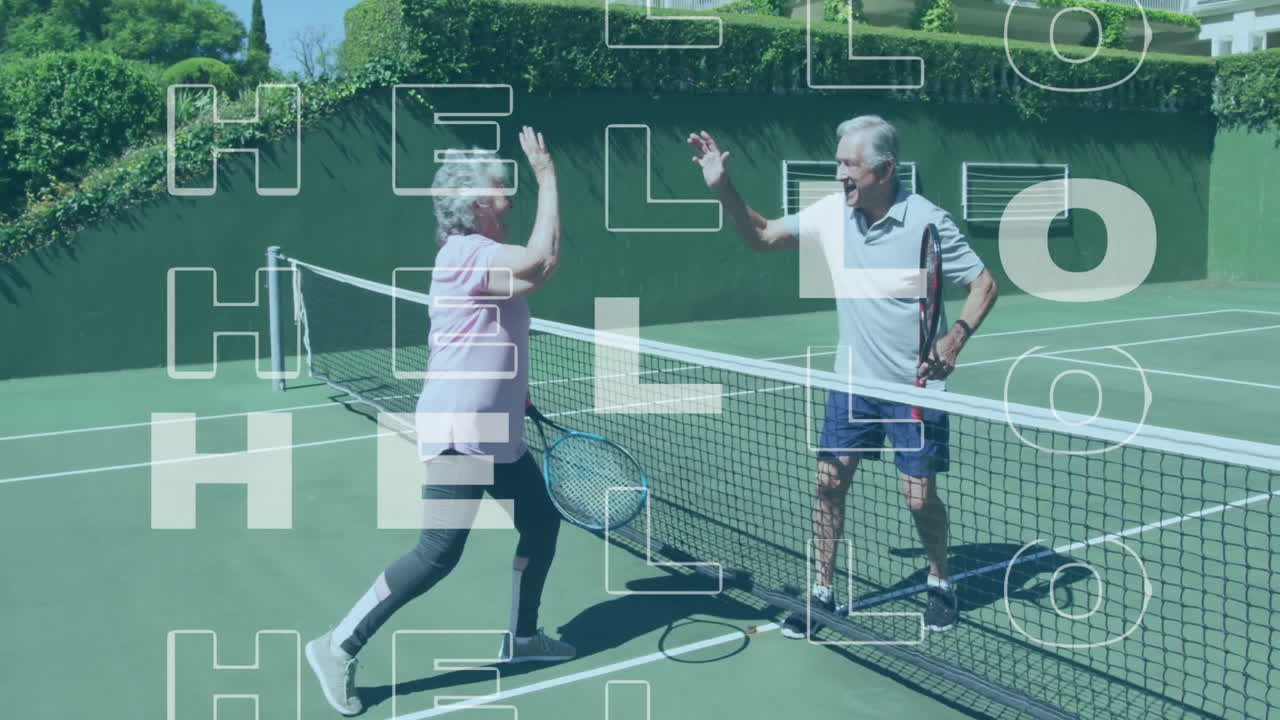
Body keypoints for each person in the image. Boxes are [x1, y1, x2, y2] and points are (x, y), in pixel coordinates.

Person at [688, 115, 998, 638]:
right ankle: (822, 593)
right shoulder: (833, 213)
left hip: (913, 388)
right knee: (828, 485)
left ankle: (940, 581)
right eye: (837, 164)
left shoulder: (928, 221)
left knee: (919, 498)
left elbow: (983, 284)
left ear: (884, 169)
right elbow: (762, 237)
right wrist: (723, 189)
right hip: (853, 381)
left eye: (849, 165)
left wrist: (953, 340)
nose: (840, 175)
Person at [305, 127, 573, 716]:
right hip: (461, 435)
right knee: (437, 552)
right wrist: (548, 174)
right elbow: (539, 257)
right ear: (477, 201)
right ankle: (336, 644)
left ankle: (523, 636)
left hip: (496, 432)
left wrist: (515, 396)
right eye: (504, 189)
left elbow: (541, 268)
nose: (512, 195)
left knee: (541, 521)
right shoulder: (466, 253)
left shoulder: (483, 257)